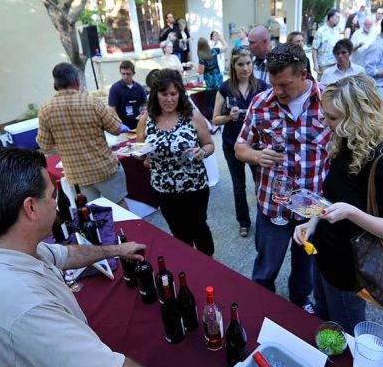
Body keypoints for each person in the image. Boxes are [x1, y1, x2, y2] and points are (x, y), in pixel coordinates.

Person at [0, 147, 146, 367]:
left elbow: (66, 255)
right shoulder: (26, 305)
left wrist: (117, 250)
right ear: (31, 208)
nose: (55, 204)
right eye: (51, 196)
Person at [292, 75, 383, 333]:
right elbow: (334, 198)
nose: (325, 123)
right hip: (326, 253)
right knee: (323, 317)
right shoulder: (347, 143)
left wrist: (353, 213)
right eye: (325, 115)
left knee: (346, 331)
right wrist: (312, 221)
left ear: (359, 117)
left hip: (351, 269)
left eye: (333, 118)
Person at [234, 43, 331, 312]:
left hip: (313, 209)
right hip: (272, 205)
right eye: (273, 84)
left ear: (304, 75)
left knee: (306, 270)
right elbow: (240, 147)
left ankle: (299, 308)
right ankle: (262, 308)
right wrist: (257, 156)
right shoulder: (261, 103)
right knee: (265, 269)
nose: (277, 91)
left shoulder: (329, 101)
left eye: (284, 85)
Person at [136, 69, 215, 255]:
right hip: (164, 189)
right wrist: (142, 157)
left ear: (180, 93)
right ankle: (188, 263)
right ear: (155, 94)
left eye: (173, 94)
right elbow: (140, 154)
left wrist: (201, 152)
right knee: (179, 231)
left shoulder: (192, 117)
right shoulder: (146, 120)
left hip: (194, 186)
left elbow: (210, 145)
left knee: (198, 227)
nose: (169, 99)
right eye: (164, 94)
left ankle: (209, 263)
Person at [37, 63, 131, 208]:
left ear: (55, 84)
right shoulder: (92, 102)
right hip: (103, 168)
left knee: (91, 213)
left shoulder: (45, 110)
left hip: (76, 174)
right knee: (120, 205)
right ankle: (128, 230)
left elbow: (45, 146)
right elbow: (116, 129)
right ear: (76, 81)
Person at [212, 49, 267, 238]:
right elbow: (215, 120)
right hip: (231, 143)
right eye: (240, 64)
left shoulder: (261, 86)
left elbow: (272, 113)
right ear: (233, 66)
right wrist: (229, 117)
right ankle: (243, 221)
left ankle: (264, 219)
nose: (245, 68)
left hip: (255, 144)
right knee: (238, 186)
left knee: (260, 183)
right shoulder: (225, 88)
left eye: (248, 63)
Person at [108, 61, 147, 130]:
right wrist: (119, 124)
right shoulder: (115, 88)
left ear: (133, 73)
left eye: (128, 74)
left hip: (138, 124)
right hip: (122, 125)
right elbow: (111, 108)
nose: (125, 76)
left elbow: (144, 105)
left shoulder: (140, 88)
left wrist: (143, 114)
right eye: (123, 74)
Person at [312, 9, 342, 78]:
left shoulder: (336, 30)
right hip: (324, 65)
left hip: (335, 63)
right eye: (337, 17)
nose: (338, 19)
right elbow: (314, 48)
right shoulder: (321, 31)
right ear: (330, 18)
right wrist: (315, 64)